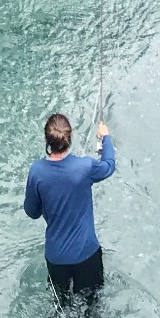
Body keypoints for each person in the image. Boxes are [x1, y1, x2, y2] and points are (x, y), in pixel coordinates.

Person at [23, 113, 115, 301]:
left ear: (47, 140)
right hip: (87, 254)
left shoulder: (36, 172)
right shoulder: (85, 167)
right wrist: (105, 137)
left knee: (61, 308)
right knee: (91, 308)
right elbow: (109, 165)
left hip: (56, 258)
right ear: (70, 136)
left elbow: (32, 212)